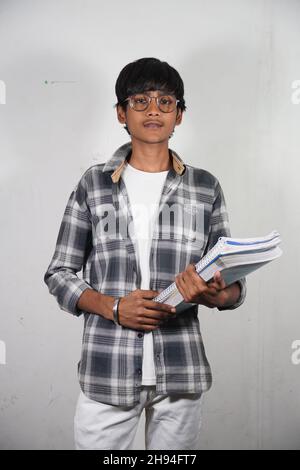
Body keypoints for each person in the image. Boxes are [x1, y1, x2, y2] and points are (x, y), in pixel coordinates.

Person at [44, 57, 246, 450]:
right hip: (108, 368)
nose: (153, 109)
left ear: (180, 115)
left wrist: (216, 292)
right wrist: (114, 307)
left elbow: (232, 286)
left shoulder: (205, 188)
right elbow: (59, 272)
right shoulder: (94, 185)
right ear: (121, 112)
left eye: (165, 101)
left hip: (180, 373)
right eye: (140, 100)